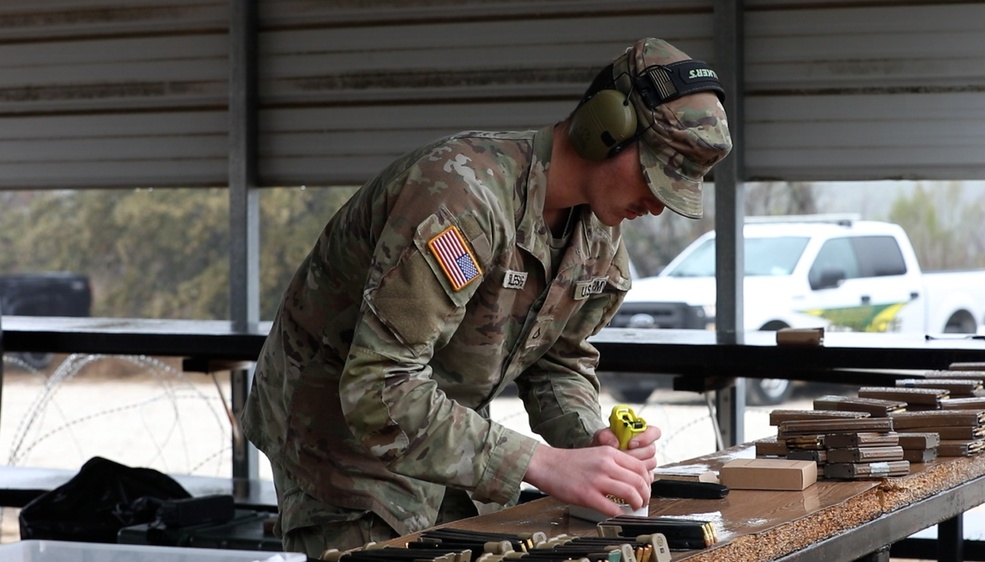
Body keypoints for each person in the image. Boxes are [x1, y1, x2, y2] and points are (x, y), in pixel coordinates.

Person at [240, 37, 732, 558]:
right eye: (656, 171)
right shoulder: (462, 197)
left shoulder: (597, 233)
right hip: (340, 442)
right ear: (606, 127)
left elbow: (558, 364)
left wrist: (590, 442)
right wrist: (540, 464)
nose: (658, 204)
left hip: (440, 429)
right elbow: (378, 386)